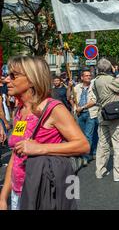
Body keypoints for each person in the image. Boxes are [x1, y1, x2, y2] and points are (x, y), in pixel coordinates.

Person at [0, 56, 89, 210]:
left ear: (32, 79)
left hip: (43, 191)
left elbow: (83, 145)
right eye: (8, 75)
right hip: (18, 192)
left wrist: (40, 148)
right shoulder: (20, 111)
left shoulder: (53, 108)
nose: (7, 79)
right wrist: (3, 197)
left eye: (13, 76)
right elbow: (16, 154)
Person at [93, 58, 119, 182]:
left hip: (102, 114)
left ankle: (100, 170)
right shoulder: (110, 79)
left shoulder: (95, 81)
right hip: (114, 115)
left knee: (103, 143)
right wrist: (116, 73)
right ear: (108, 68)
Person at [73, 69, 99, 166]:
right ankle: (91, 152)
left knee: (88, 135)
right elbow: (70, 97)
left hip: (90, 113)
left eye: (89, 75)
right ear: (82, 78)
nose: (89, 77)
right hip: (79, 114)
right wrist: (69, 87)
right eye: (86, 75)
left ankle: (85, 157)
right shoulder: (76, 87)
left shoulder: (94, 87)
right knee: (82, 135)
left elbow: (93, 101)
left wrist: (82, 107)